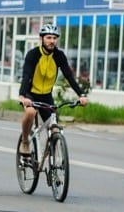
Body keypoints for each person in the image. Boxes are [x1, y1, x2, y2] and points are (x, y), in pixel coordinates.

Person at [17, 24, 88, 155]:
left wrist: (81, 94)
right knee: (31, 113)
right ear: (41, 38)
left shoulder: (58, 55)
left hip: (46, 96)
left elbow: (69, 76)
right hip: (30, 94)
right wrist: (22, 96)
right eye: (48, 37)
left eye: (54, 38)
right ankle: (25, 141)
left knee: (55, 129)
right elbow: (26, 76)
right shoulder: (33, 54)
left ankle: (52, 157)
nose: (52, 41)